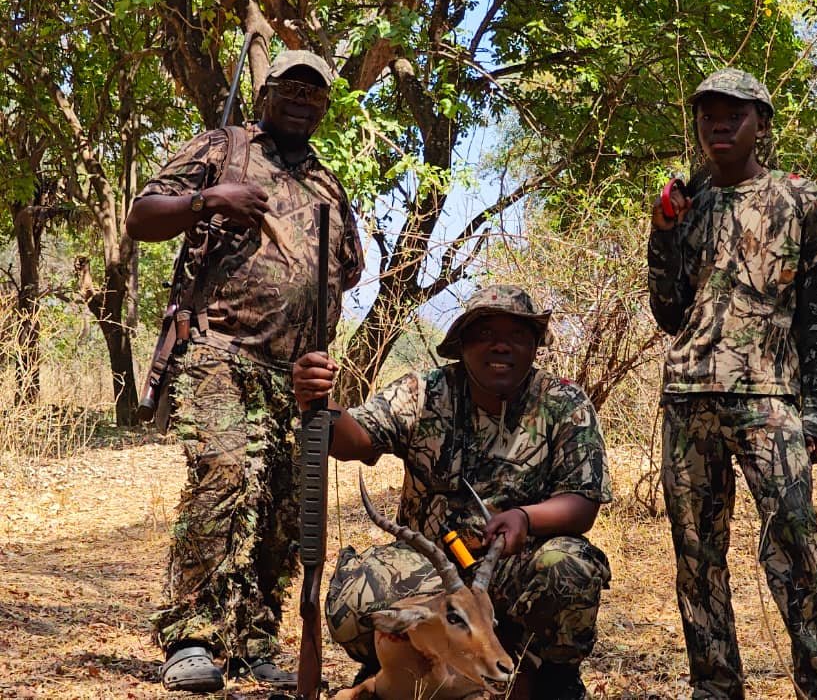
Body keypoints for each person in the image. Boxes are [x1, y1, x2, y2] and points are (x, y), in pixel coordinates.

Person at [126, 50, 363, 693]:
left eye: (315, 94)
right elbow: (141, 216)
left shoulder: (329, 185)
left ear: (324, 107)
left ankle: (252, 635)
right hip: (219, 350)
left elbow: (346, 272)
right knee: (225, 472)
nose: (302, 100)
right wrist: (207, 200)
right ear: (264, 95)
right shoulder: (222, 149)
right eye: (290, 88)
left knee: (285, 503)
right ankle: (194, 635)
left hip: (296, 373)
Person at [291, 284, 612, 700]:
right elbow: (355, 439)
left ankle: (544, 678)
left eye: (517, 335)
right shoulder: (424, 392)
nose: (501, 346)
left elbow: (582, 503)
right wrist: (315, 403)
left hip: (513, 572)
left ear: (535, 346)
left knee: (570, 565)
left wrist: (526, 518)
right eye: (485, 334)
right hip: (432, 575)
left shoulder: (563, 401)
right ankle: (405, 673)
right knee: (355, 597)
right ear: (461, 345)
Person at [647, 68, 817, 700]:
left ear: (761, 123)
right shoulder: (685, 204)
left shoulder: (798, 199)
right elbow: (667, 312)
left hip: (770, 400)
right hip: (689, 398)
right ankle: (715, 686)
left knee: (795, 542)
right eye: (708, 112)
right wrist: (660, 234)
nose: (718, 122)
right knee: (697, 558)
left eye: (733, 113)